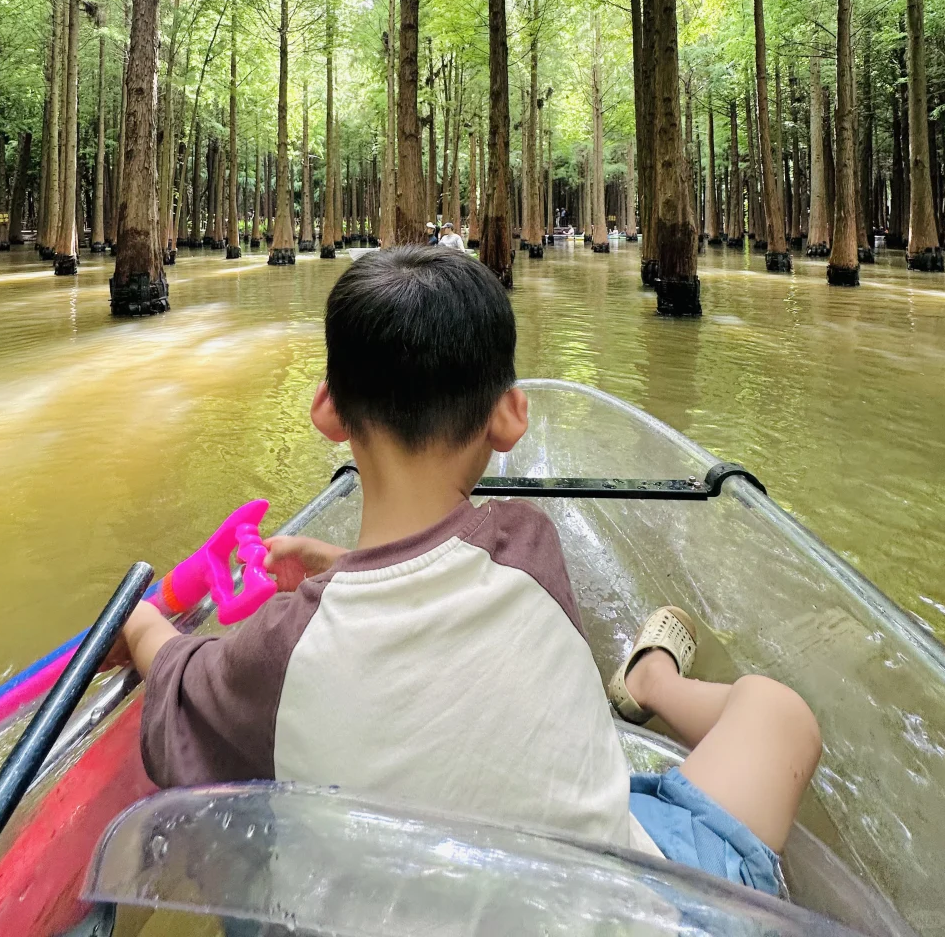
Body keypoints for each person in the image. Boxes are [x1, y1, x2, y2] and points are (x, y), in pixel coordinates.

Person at [113, 247, 820, 897]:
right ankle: (652, 681)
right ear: (510, 417)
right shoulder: (527, 547)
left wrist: (135, 616)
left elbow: (175, 676)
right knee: (778, 712)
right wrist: (351, 572)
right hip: (624, 905)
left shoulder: (280, 649)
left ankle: (647, 680)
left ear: (328, 411)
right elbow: (434, 611)